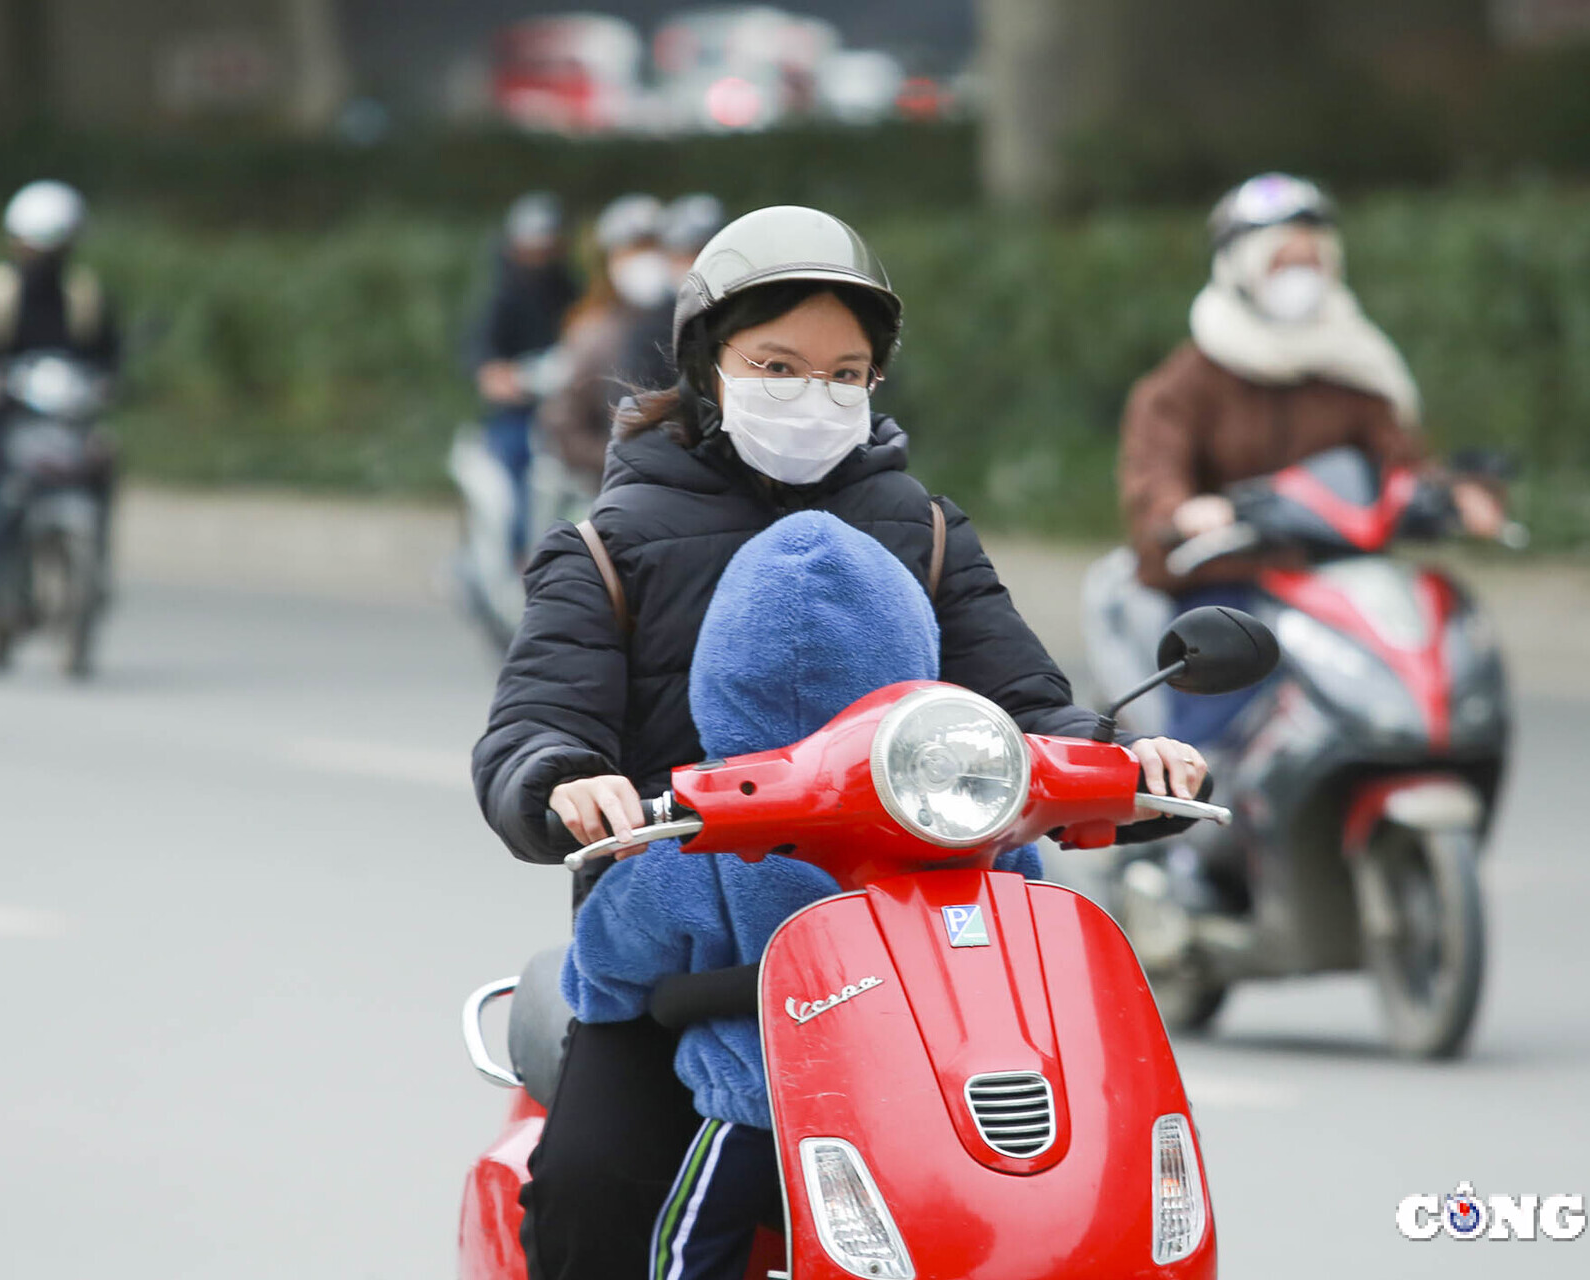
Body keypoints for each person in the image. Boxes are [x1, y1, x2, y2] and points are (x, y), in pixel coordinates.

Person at [472, 204, 1206, 1280]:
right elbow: (535, 723)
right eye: (779, 362)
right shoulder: (606, 549)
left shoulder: (927, 530)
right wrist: (568, 781)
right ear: (706, 364)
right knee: (589, 1196)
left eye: (846, 372)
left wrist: (1123, 759)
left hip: (923, 945)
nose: (814, 395)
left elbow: (1024, 702)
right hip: (688, 965)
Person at [562, 510, 1043, 1280]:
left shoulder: (706, 835)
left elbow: (608, 966)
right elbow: (1030, 919)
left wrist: (602, 993)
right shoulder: (958, 819)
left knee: (691, 1247)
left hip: (757, 1104)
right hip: (927, 1103)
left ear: (723, 668)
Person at [1117, 172, 1503, 745]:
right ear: (1242, 268)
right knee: (1210, 715)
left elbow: (1403, 463)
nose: (1300, 276)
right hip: (1231, 577)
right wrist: (1184, 512)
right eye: (1282, 262)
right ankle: (1186, 816)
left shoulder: (1354, 365)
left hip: (1334, 578)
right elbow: (1154, 478)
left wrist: (1458, 495)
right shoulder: (1187, 381)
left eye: (1312, 260)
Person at [0, 180, 121, 590]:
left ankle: (99, 570)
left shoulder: (84, 296)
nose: (45, 258)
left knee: (104, 459)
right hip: (7, 412)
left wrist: (108, 381)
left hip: (63, 415)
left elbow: (107, 352)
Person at [470, 192, 581, 555]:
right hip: (520, 413)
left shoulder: (570, 292)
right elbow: (483, 359)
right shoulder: (501, 297)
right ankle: (520, 553)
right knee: (519, 461)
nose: (540, 255)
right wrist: (504, 379)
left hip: (565, 407)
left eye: (547, 246)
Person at [536, 192, 672, 488]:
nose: (646, 260)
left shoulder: (686, 324)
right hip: (606, 486)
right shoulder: (591, 331)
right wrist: (628, 461)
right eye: (633, 250)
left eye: (653, 247)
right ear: (609, 261)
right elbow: (564, 426)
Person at [615, 192, 727, 389]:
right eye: (687, 253)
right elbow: (635, 407)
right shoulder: (649, 331)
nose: (697, 262)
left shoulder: (749, 315)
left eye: (706, 251)